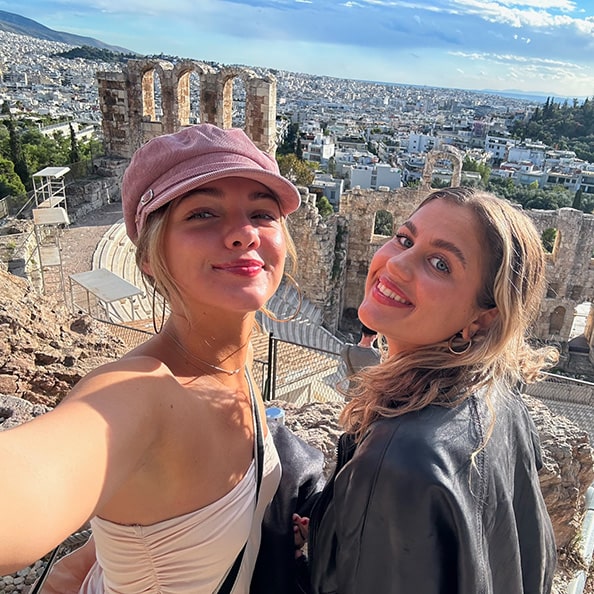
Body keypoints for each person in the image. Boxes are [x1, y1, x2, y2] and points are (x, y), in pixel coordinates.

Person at [0, 123, 302, 593]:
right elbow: (26, 484)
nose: (243, 233)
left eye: (262, 212)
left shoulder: (231, 368)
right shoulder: (139, 393)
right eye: (203, 213)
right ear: (148, 254)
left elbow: (134, 533)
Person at [308, 187, 559, 594]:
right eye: (405, 239)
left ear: (482, 318)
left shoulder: (399, 461)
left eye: (440, 264)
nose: (398, 264)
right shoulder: (501, 400)